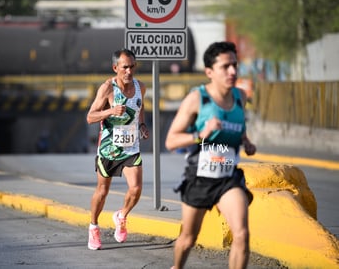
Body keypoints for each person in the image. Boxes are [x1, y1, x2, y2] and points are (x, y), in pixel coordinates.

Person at [165, 41, 256, 269]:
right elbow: (171, 141)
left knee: (242, 235)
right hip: (200, 177)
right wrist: (200, 134)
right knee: (187, 239)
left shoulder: (240, 97)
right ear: (209, 72)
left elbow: (238, 125)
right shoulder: (198, 99)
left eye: (235, 65)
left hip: (228, 178)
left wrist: (246, 141)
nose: (233, 71)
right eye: (226, 66)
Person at [86, 48, 149, 250]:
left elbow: (140, 107)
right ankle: (93, 227)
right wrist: (111, 110)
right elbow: (90, 117)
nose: (129, 71)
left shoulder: (141, 87)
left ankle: (121, 216)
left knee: (136, 188)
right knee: (102, 192)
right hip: (108, 150)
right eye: (125, 67)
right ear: (115, 68)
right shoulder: (107, 89)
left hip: (131, 148)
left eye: (132, 66)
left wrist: (141, 124)